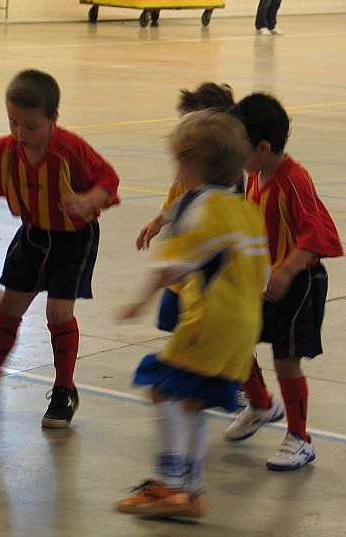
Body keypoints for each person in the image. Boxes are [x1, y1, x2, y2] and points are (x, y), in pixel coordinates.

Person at [0, 69, 121, 428]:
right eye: (13, 122)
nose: (20, 133)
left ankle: (65, 389)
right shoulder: (7, 150)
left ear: (53, 118)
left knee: (57, 313)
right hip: (33, 236)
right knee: (8, 309)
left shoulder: (70, 149)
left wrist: (88, 200)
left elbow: (108, 180)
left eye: (31, 125)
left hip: (74, 239)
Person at [115, 111, 270, 519]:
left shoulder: (197, 205)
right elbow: (263, 275)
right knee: (193, 402)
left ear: (190, 164)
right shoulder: (245, 209)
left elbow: (172, 267)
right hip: (244, 326)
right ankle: (191, 492)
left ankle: (169, 484)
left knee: (161, 388)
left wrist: (139, 301)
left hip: (210, 323)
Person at [224, 93, 343, 471]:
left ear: (262, 147)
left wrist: (287, 270)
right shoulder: (255, 177)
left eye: (238, 149)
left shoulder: (295, 180)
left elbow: (319, 235)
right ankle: (260, 403)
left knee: (286, 360)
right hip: (264, 280)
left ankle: (300, 438)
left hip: (299, 281)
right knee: (234, 336)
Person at [136, 82, 235, 332]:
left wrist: (141, 300)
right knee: (177, 327)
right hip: (184, 278)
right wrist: (159, 220)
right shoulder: (190, 168)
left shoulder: (229, 186)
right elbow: (178, 200)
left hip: (212, 280)